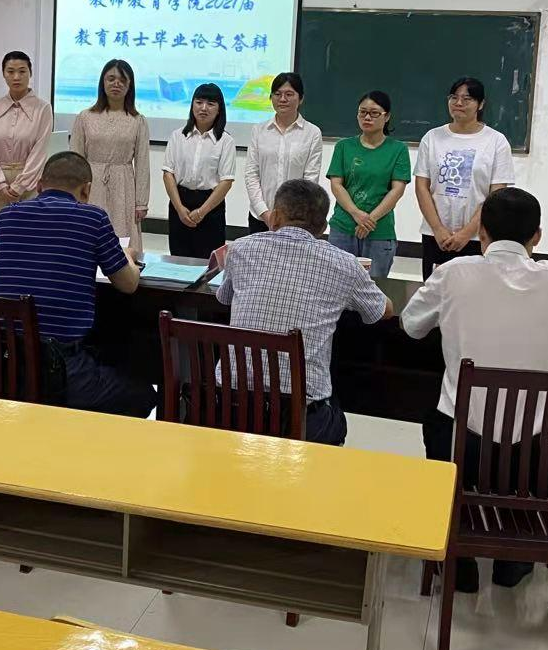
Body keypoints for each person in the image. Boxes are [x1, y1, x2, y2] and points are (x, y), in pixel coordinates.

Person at [401, 187, 548, 593]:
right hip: (533, 458)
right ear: (537, 236)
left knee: (438, 413)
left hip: (462, 448)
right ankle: (517, 550)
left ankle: (455, 549)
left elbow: (411, 326)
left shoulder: (453, 273)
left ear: (482, 232)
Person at [217, 179, 393, 445]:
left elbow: (224, 298)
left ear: (275, 217)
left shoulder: (241, 248)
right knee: (336, 408)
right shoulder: (345, 264)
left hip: (230, 411)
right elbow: (383, 311)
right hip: (300, 422)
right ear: (323, 227)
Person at [0, 151, 156, 417]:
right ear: (86, 190)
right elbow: (128, 284)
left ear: (39, 185)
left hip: (5, 364)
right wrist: (127, 255)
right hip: (63, 369)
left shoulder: (7, 215)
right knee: (142, 393)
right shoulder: (93, 219)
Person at [414, 77, 515, 279]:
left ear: (481, 104)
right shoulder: (432, 137)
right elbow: (422, 186)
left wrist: (467, 233)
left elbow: (496, 195)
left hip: (478, 237)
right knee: (434, 292)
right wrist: (438, 229)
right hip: (435, 235)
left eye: (467, 99)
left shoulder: (496, 141)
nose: (458, 103)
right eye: (454, 97)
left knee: (472, 292)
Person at [326, 91, 412, 278]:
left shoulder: (398, 149)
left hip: (379, 231)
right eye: (362, 112)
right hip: (343, 227)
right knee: (337, 285)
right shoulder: (344, 146)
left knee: (373, 287)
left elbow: (397, 190)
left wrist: (370, 219)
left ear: (386, 117)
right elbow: (337, 185)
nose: (367, 117)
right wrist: (357, 214)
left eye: (374, 113)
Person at [69, 59, 150, 251]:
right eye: (111, 78)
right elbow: (75, 160)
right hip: (91, 185)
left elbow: (142, 164)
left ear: (130, 85)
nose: (116, 84)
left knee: (121, 242)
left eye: (122, 80)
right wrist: (73, 194)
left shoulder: (137, 120)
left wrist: (141, 203)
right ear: (102, 82)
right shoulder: (85, 117)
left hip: (123, 186)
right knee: (88, 238)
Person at [0, 51, 53, 226]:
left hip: (29, 183)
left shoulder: (43, 109)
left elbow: (39, 151)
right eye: (10, 71)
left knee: (27, 232)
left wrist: (19, 186)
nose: (16, 77)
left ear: (30, 73)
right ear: (3, 74)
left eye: (22, 71)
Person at [162, 83, 235, 259]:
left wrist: (202, 212)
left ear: (219, 109)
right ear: (192, 105)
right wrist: (179, 209)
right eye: (199, 102)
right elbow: (168, 173)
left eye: (211, 104)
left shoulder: (225, 141)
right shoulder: (178, 136)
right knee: (178, 259)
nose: (204, 108)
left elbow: (226, 181)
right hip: (180, 201)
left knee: (209, 262)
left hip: (211, 206)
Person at [243, 73, 323, 234]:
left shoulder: (312, 133)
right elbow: (252, 174)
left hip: (296, 219)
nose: (282, 99)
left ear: (301, 98)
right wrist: (265, 213)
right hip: (260, 216)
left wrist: (289, 216)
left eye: (289, 94)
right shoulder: (259, 131)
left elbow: (310, 180)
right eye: (277, 94)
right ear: (271, 97)